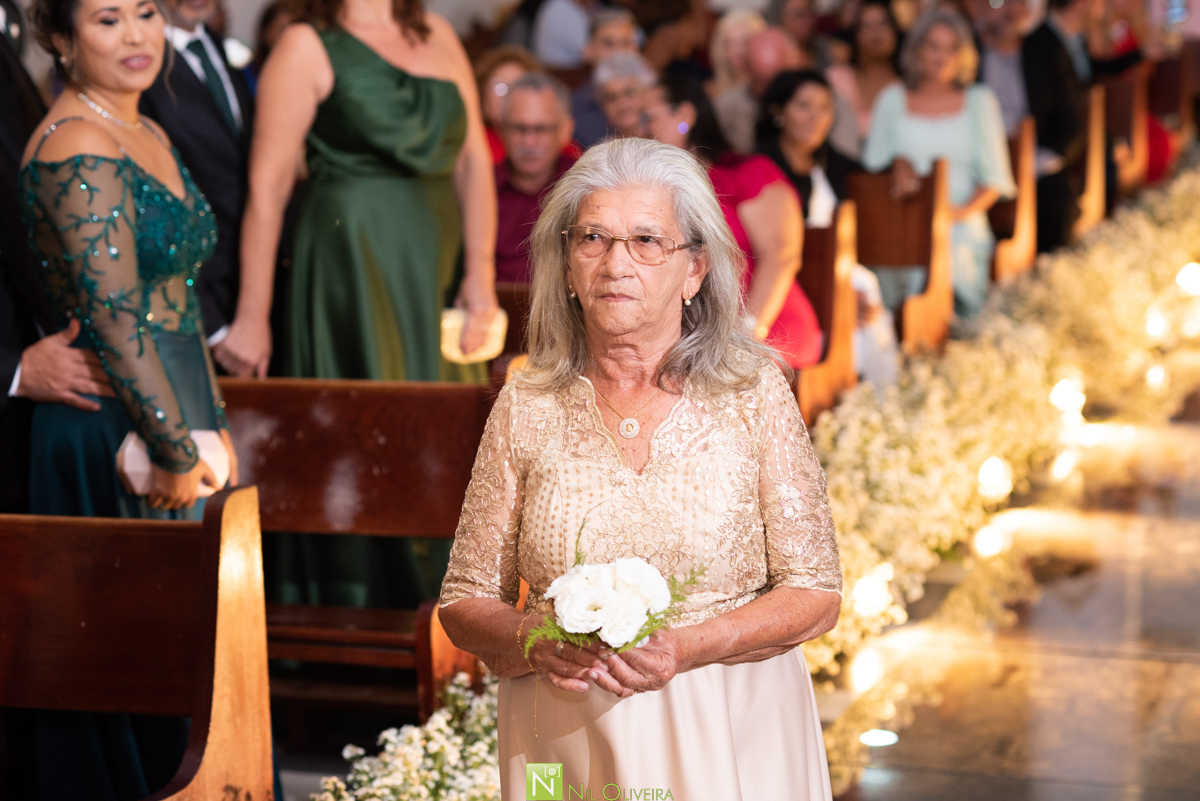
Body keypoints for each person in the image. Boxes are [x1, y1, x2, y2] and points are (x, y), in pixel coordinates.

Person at [439, 136, 842, 801]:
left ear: (694, 270)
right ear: (567, 267)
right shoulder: (527, 401)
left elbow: (816, 590)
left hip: (724, 719)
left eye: (647, 241)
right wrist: (535, 638)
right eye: (592, 238)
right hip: (564, 741)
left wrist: (692, 644)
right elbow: (464, 597)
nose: (615, 263)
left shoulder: (752, 392)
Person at [19, 0, 237, 795]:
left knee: (191, 658)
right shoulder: (78, 140)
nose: (136, 35)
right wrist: (178, 447)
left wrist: (207, 424)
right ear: (59, 39)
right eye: (107, 19)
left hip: (173, 409)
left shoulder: (140, 126)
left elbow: (175, 296)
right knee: (136, 665)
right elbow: (115, 318)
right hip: (116, 430)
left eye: (145, 12)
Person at [229, 0, 498, 604]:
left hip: (437, 273)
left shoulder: (437, 33)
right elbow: (268, 188)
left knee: (443, 435)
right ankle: (363, 603)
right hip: (348, 274)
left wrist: (479, 275)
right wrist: (253, 314)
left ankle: (454, 622)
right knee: (362, 435)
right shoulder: (306, 44)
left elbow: (475, 158)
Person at [643, 73, 822, 369]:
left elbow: (781, 256)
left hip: (765, 329)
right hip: (695, 341)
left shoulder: (744, 174)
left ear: (685, 115)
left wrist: (745, 336)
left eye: (649, 117)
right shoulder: (656, 192)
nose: (641, 130)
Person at [863, 8, 1015, 319]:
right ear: (917, 51)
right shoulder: (892, 99)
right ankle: (903, 333)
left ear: (964, 55)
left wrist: (952, 216)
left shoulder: (980, 101)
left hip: (961, 217)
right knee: (896, 245)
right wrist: (898, 161)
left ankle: (950, 330)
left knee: (948, 246)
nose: (941, 55)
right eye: (933, 46)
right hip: (901, 215)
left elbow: (994, 181)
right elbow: (870, 170)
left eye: (951, 48)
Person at [757, 70, 899, 386]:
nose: (815, 117)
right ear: (778, 110)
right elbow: (771, 251)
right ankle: (851, 394)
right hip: (788, 285)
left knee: (865, 288)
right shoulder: (761, 168)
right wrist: (835, 293)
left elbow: (879, 181)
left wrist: (899, 165)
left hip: (840, 277)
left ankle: (872, 393)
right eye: (804, 106)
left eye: (824, 108)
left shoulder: (834, 163)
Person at [139, 0, 253, 364]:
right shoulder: (139, 65)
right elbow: (148, 205)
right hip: (192, 304)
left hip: (250, 293)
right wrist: (214, 326)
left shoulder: (222, 51)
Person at [1022, 0, 1142, 251]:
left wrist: (1139, 56)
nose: (1101, 6)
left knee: (1114, 155)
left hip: (1077, 137)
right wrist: (1055, 154)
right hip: (1053, 145)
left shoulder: (1073, 38)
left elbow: (1092, 77)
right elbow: (1046, 107)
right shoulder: (1040, 43)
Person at [496, 72, 577, 283]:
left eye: (541, 129)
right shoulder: (480, 188)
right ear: (502, 129)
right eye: (519, 128)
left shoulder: (584, 188)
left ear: (565, 130)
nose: (529, 142)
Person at [825, 0, 901, 158]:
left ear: (895, 30)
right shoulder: (835, 79)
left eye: (883, 24)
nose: (876, 32)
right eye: (867, 25)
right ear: (856, 34)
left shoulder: (908, 85)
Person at [715, 26, 803, 153]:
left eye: (776, 82)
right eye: (760, 81)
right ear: (747, 68)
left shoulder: (812, 102)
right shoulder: (726, 107)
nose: (768, 92)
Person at [571, 7, 639, 148]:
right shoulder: (573, 109)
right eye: (609, 44)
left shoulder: (654, 96)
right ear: (588, 51)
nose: (619, 53)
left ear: (636, 49)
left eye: (625, 43)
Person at [970, 0, 1030, 138]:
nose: (1011, 10)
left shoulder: (1040, 54)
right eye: (1000, 2)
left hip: (1031, 150)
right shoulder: (966, 50)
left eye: (1019, 3)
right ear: (981, 7)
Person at [475, 45, 542, 163]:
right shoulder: (472, 146)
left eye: (518, 85)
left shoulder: (555, 146)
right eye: (500, 87)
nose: (508, 96)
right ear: (483, 93)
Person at [594, 50, 657, 141]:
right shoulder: (602, 152)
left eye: (630, 92)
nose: (622, 102)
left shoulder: (671, 135)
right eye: (612, 97)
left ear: (648, 91)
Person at [709, 9, 767, 98]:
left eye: (744, 42)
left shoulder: (765, 91)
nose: (736, 50)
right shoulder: (711, 91)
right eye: (729, 43)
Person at [244, 0, 293, 95]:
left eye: (292, 29)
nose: (288, 36)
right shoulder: (245, 77)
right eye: (282, 29)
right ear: (265, 32)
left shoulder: (298, 75)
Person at [532, 0, 595, 68]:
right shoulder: (563, 10)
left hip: (561, 69)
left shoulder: (558, 5)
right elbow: (588, 51)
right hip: (561, 72)